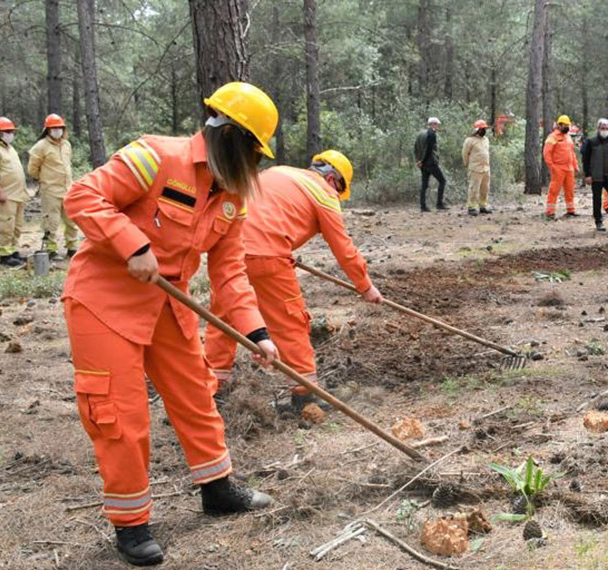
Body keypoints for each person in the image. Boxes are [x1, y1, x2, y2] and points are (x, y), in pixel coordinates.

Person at [62, 82, 282, 566]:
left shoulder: (232, 197)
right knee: (120, 414)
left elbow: (231, 274)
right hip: (105, 301)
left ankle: (217, 488)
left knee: (196, 394)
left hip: (168, 303)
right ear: (232, 137)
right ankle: (131, 522)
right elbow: (82, 196)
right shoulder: (154, 157)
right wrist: (132, 244)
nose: (255, 165)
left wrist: (258, 334)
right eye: (254, 153)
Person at [205, 150, 382, 412]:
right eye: (339, 190)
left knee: (222, 321)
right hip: (268, 257)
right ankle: (305, 396)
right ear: (332, 179)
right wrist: (366, 287)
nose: (336, 195)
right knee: (290, 322)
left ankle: (210, 392)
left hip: (226, 252)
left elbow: (260, 213)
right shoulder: (324, 193)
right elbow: (343, 248)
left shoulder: (278, 172)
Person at [28, 114, 79, 261]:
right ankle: (51, 249)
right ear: (48, 130)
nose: (57, 130)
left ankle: (72, 248)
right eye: (54, 128)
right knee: (51, 221)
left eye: (59, 128)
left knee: (71, 221)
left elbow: (67, 164)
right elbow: (32, 168)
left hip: (67, 189)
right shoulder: (41, 146)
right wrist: (44, 180)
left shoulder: (66, 145)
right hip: (50, 190)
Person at [0, 116, 28, 267]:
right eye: (8, 131)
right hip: (5, 193)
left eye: (11, 131)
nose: (11, 134)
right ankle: (4, 255)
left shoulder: (9, 148)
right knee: (5, 224)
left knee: (16, 225)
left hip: (17, 194)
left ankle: (13, 250)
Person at [543, 115, 579, 219]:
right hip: (558, 167)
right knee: (554, 190)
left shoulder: (568, 137)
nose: (567, 127)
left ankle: (570, 211)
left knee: (570, 190)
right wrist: (552, 167)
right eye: (565, 125)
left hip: (569, 168)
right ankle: (550, 212)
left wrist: (575, 166)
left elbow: (572, 153)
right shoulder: (552, 137)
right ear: (559, 125)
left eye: (568, 125)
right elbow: (547, 153)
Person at [414, 117, 447, 211]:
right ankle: (439, 204)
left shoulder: (420, 133)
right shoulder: (432, 134)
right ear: (433, 124)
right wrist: (422, 161)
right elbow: (428, 150)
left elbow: (416, 148)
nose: (438, 127)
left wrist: (418, 161)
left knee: (424, 184)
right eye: (437, 125)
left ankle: (423, 206)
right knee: (442, 181)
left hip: (423, 164)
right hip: (430, 163)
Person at [462, 119, 492, 216]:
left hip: (486, 168)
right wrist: (467, 164)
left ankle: (483, 205)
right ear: (477, 130)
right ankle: (472, 207)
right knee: (474, 189)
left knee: (485, 189)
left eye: (485, 129)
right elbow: (465, 154)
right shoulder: (469, 140)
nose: (484, 131)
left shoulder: (486, 140)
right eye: (482, 129)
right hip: (475, 169)